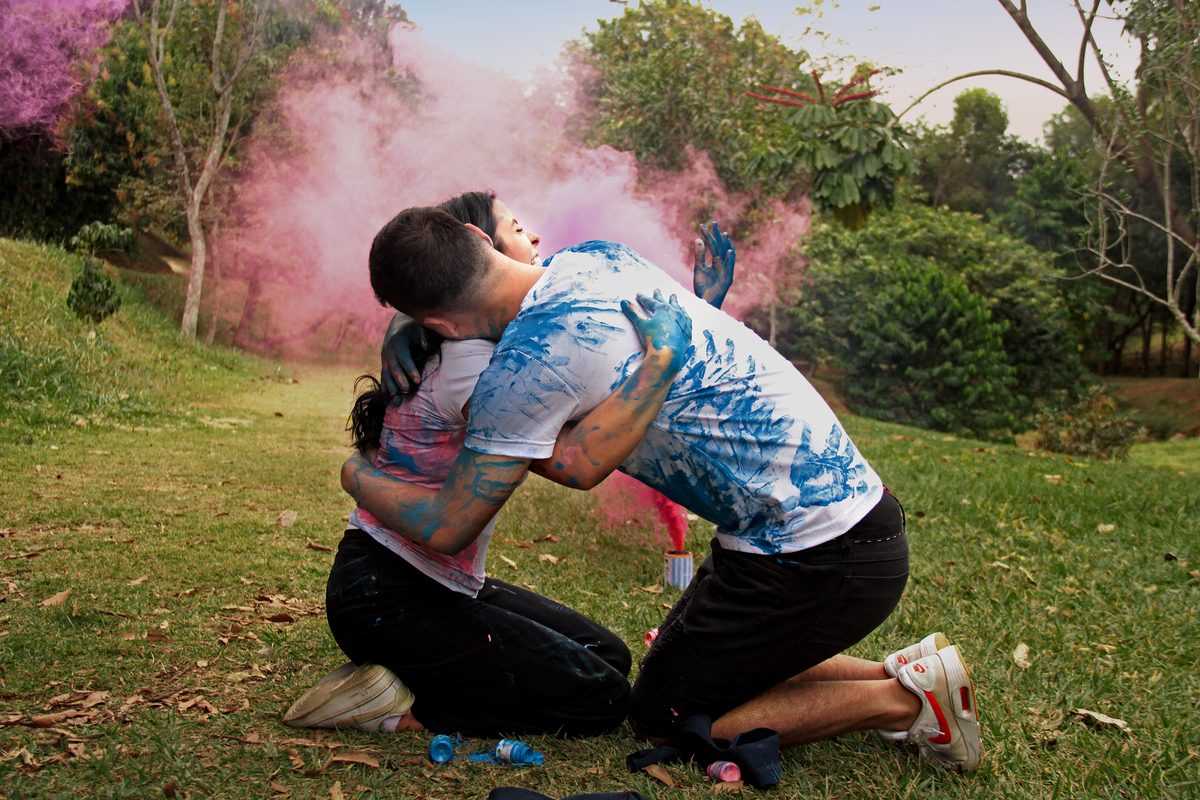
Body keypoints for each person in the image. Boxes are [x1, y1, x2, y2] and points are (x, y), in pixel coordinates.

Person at [342, 205, 984, 772]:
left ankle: (907, 701)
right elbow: (577, 437)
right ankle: (900, 672)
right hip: (842, 521)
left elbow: (495, 504)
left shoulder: (524, 372)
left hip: (816, 555)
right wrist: (405, 322)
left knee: (666, 716)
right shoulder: (595, 258)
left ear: (442, 324)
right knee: (681, 670)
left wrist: (354, 472)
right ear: (480, 239)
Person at [284, 192, 720, 739]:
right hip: (387, 592)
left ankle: (417, 672)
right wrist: (663, 360)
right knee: (602, 698)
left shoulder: (467, 339)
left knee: (607, 653)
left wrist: (701, 316)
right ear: (482, 247)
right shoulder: (479, 366)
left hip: (433, 581)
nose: (535, 240)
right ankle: (396, 711)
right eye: (517, 228)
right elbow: (574, 459)